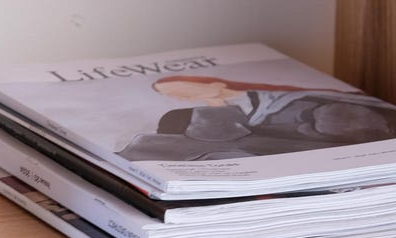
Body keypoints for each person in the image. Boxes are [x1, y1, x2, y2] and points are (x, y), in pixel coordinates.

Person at [116, 74, 396, 162]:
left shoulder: (273, 99)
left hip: (321, 127)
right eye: (181, 95)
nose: (187, 97)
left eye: (186, 91)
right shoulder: (223, 112)